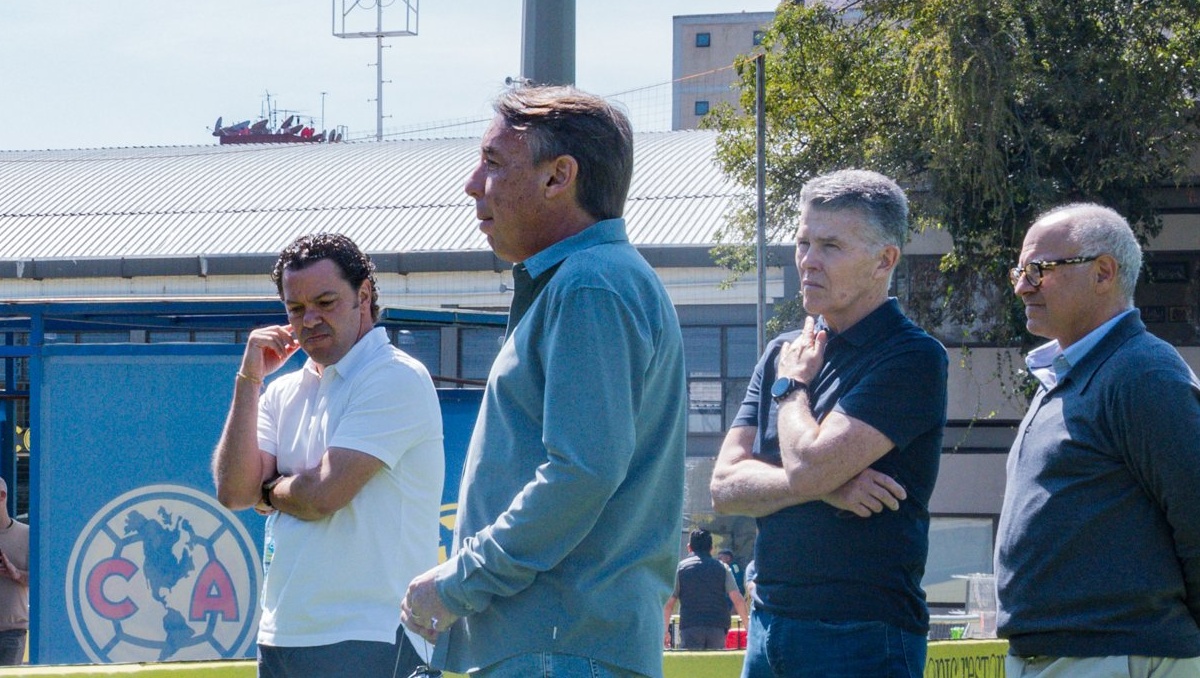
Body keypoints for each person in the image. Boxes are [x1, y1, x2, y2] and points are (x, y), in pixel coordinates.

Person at [401, 85, 687, 678]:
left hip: (558, 651)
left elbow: (581, 473)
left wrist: (458, 583)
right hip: (560, 647)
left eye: (494, 162)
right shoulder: (589, 282)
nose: (472, 183)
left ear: (560, 177)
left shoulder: (590, 286)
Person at [710, 169, 948, 677]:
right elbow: (725, 487)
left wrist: (793, 388)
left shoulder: (912, 357)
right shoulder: (782, 350)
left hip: (859, 635)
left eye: (831, 246)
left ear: (885, 260)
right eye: (803, 242)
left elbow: (811, 464)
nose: (808, 261)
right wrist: (825, 489)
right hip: (770, 621)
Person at [212, 232, 445, 678]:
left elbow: (322, 494)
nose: (309, 319)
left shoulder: (394, 377)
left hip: (374, 634)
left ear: (364, 296)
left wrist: (270, 489)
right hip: (283, 634)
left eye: (325, 302)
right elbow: (234, 491)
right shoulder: (280, 390)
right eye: (296, 309)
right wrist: (249, 381)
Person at [996, 203, 1200, 676]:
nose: (1023, 286)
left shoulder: (1141, 371)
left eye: (1039, 270)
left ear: (1103, 272)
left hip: (1116, 656)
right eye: (1019, 272)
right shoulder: (1071, 374)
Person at [663, 529, 749, 651]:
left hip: (690, 626)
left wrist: (665, 631)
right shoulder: (723, 568)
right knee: (716, 666)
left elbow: (668, 604)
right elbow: (738, 599)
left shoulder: (680, 569)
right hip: (717, 626)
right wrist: (747, 627)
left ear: (689, 548)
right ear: (711, 548)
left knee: (692, 667)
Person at [0, 478, 28, 666]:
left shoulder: (27, 535)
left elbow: (43, 583)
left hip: (13, 631)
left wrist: (16, 573)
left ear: (2, 496)